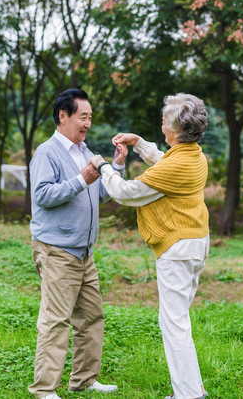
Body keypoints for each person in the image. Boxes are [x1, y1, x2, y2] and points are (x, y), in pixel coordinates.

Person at [89, 93, 210, 399]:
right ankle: (191, 388)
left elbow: (127, 192)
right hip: (195, 242)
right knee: (177, 319)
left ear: (177, 129)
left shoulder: (176, 165)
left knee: (174, 323)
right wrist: (139, 142)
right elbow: (162, 160)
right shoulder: (192, 155)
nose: (161, 122)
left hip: (178, 247)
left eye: (164, 119)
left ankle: (189, 395)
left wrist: (105, 169)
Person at [28, 88, 122, 399]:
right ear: (63, 116)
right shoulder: (47, 153)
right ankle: (44, 390)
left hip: (84, 252)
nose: (88, 123)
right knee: (56, 322)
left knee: (91, 317)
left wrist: (118, 166)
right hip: (57, 250)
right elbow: (42, 195)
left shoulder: (84, 151)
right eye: (83, 117)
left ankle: (83, 380)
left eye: (90, 118)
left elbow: (100, 194)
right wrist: (81, 179)